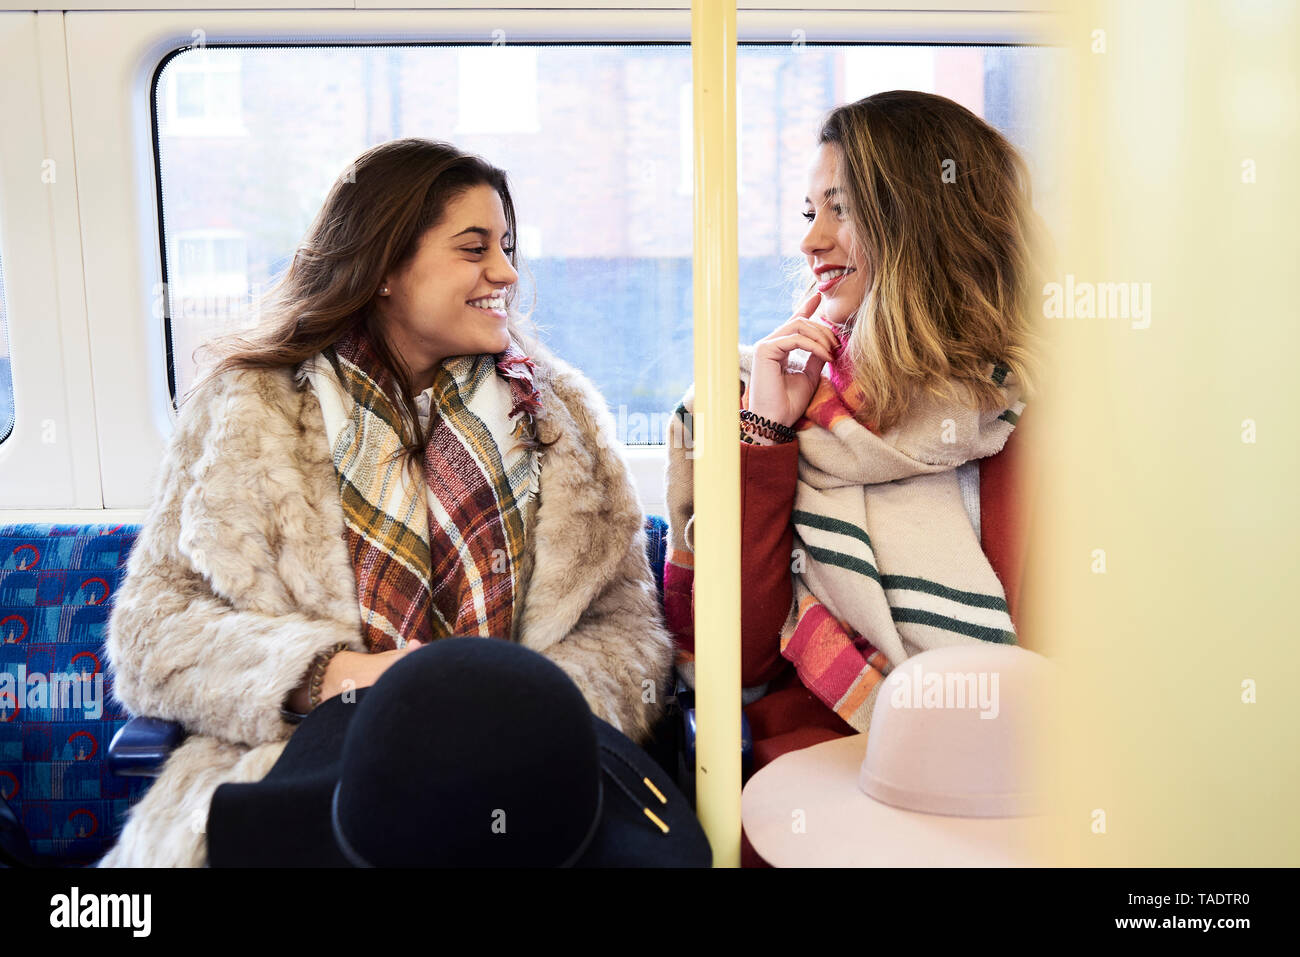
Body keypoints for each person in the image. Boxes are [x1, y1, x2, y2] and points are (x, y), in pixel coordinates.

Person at [100, 138, 673, 867]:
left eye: (508, 246)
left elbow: (629, 634)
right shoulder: (246, 409)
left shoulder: (563, 418)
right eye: (474, 249)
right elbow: (152, 634)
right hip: (305, 767)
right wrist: (327, 675)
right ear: (386, 269)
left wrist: (512, 710)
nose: (505, 272)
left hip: (522, 771)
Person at [662, 91, 1045, 865]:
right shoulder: (756, 399)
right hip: (825, 769)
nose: (813, 240)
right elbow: (727, 653)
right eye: (808, 211)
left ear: (925, 222)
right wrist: (766, 437)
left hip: (1014, 779)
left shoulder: (1037, 413)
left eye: (841, 209)